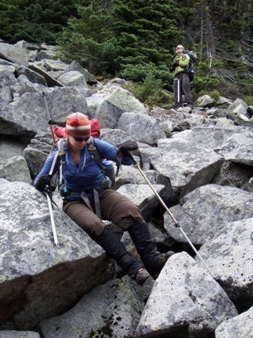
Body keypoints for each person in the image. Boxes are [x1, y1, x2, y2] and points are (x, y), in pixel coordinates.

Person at [34, 112, 174, 286]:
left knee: (130, 210)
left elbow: (121, 157)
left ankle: (152, 260)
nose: (83, 142)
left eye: (86, 137)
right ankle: (132, 267)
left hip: (101, 193)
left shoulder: (93, 145)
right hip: (74, 201)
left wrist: (125, 152)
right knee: (95, 225)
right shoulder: (58, 152)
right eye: (79, 139)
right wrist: (43, 183)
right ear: (69, 135)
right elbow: (38, 181)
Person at [170, 44, 193, 111]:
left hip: (184, 74)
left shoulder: (185, 56)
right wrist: (172, 67)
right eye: (176, 48)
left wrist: (178, 63)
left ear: (182, 49)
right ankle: (178, 105)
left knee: (186, 88)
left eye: (179, 48)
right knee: (176, 90)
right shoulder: (175, 58)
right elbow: (172, 67)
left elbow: (185, 64)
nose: (177, 49)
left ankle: (189, 104)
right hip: (177, 75)